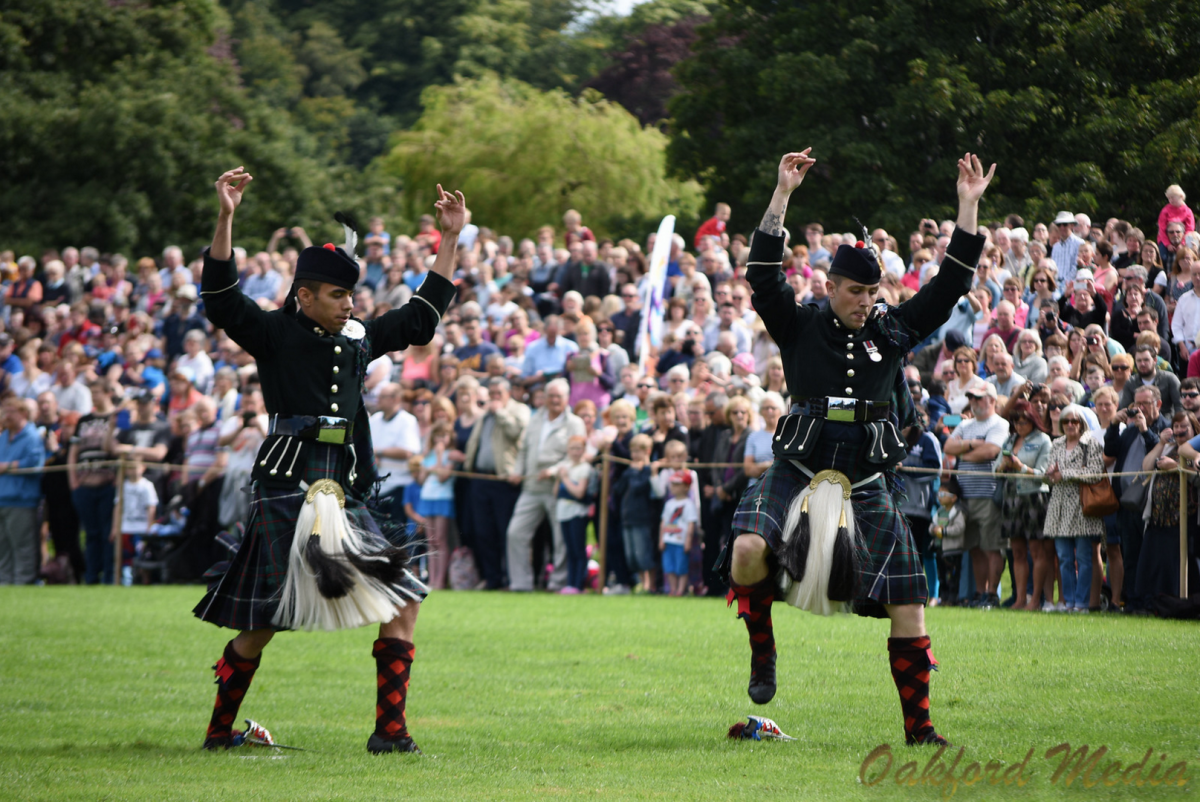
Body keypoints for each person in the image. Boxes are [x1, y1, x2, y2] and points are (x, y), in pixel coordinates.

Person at [724, 149, 993, 746]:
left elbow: (949, 284)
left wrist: (967, 206)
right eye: (854, 291)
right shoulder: (798, 324)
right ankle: (762, 653)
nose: (864, 300)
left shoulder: (891, 331)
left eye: (872, 291)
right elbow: (762, 274)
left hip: (870, 479)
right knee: (746, 550)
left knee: (909, 602)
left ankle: (920, 731)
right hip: (799, 467)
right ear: (830, 285)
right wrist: (782, 194)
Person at [192, 168, 461, 755]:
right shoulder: (271, 333)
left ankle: (390, 734)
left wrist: (450, 238)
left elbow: (419, 320)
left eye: (351, 295)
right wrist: (226, 216)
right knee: (265, 620)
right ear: (305, 294)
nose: (349, 304)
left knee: (404, 596)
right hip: (287, 488)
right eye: (338, 295)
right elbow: (218, 297)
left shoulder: (359, 336)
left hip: (347, 487)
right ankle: (218, 734)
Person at [505, 379, 584, 592]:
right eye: (551, 396)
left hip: (558, 488)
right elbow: (523, 450)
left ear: (567, 398)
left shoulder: (575, 423)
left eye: (558, 396)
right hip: (530, 487)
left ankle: (558, 583)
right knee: (515, 533)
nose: (554, 400)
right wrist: (517, 471)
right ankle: (520, 583)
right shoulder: (535, 418)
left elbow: (576, 457)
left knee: (560, 539)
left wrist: (554, 470)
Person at [945, 384, 1010, 608]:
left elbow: (992, 451)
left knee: (991, 547)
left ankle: (992, 594)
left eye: (979, 398)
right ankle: (979, 593)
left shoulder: (1000, 423)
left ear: (992, 400)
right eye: (972, 398)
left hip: (989, 494)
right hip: (965, 496)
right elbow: (948, 447)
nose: (974, 402)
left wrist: (964, 452)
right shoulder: (965, 424)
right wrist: (974, 444)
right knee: (973, 547)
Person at [1044, 404, 1107, 612]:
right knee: (1063, 558)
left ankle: (1082, 603)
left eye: (1075, 421)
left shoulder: (1091, 443)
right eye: (1066, 421)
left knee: (1083, 558)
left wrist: (1066, 474)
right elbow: (1052, 475)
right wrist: (1051, 474)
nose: (1070, 425)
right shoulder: (1057, 443)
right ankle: (1068, 602)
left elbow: (1096, 472)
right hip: (1059, 506)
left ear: (1082, 423)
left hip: (1082, 506)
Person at [997, 400, 1052, 611]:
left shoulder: (1043, 440)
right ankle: (1020, 599)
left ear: (1033, 419)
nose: (1020, 425)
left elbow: (1043, 474)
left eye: (1024, 420)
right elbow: (995, 470)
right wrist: (1003, 466)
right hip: (1011, 497)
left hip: (1034, 497)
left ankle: (1036, 599)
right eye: (1016, 421)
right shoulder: (1009, 440)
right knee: (1017, 551)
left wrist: (1020, 467)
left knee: (1037, 550)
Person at [1140, 412, 1199, 601]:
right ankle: (1153, 602)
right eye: (1177, 426)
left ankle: (1178, 601)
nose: (1180, 431)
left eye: (1184, 426)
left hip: (1183, 516)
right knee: (1154, 562)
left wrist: (1174, 466)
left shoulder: (1194, 454)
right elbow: (1147, 467)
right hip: (1158, 516)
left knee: (1178, 562)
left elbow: (1194, 473)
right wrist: (1160, 443)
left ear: (1194, 429)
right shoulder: (1167, 449)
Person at [0, 397, 46, 584]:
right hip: (2, 498)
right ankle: (4, 582)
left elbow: (35, 464)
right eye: (5, 411)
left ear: (23, 414)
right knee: (2, 546)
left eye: (11, 411)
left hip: (21, 500)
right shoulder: (3, 436)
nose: (6, 415)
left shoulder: (32, 436)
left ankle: (23, 583)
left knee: (22, 546)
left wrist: (7, 466)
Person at [613, 433, 656, 593]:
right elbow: (618, 489)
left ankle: (649, 585)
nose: (635, 455)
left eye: (639, 451)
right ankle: (641, 583)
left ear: (648, 451)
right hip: (627, 517)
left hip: (642, 518)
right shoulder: (629, 471)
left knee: (643, 554)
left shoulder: (647, 471)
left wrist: (633, 473)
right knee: (632, 557)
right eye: (633, 451)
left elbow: (640, 487)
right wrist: (629, 473)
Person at [554, 436, 594, 594]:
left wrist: (565, 478)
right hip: (563, 513)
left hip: (577, 513)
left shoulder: (584, 468)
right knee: (570, 550)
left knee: (578, 550)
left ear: (584, 450)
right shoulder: (565, 466)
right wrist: (559, 478)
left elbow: (579, 492)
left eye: (579, 448)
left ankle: (578, 584)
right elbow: (556, 493)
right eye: (573, 448)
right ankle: (570, 584)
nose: (576, 452)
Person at [114, 458, 158, 585]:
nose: (132, 470)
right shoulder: (123, 486)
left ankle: (143, 582)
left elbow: (151, 507)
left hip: (141, 528)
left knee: (143, 556)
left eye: (135, 467)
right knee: (125, 557)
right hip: (125, 527)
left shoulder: (147, 485)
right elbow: (117, 507)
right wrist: (115, 527)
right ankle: (126, 581)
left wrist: (149, 527)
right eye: (130, 467)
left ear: (143, 467)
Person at [659, 470, 698, 596]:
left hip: (680, 541)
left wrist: (688, 541)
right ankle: (672, 589)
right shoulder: (669, 504)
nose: (673, 487)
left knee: (681, 567)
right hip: (668, 540)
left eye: (677, 484)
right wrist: (661, 539)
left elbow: (691, 524)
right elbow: (663, 522)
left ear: (686, 486)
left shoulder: (689, 504)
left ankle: (681, 590)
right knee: (669, 567)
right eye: (672, 484)